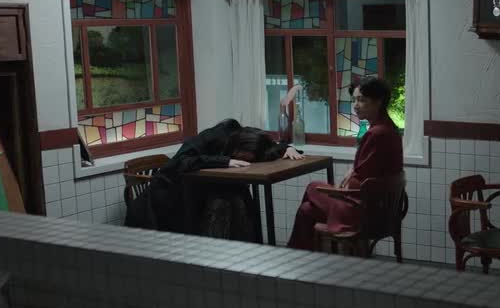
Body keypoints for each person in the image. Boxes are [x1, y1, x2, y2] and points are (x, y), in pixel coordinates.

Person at [125, 118, 303, 240]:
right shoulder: (213, 136)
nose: (247, 161)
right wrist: (224, 161)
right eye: (245, 156)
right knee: (224, 201)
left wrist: (285, 148)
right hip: (167, 198)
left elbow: (267, 147)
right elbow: (180, 162)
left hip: (198, 192)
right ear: (240, 146)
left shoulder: (246, 136)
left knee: (238, 197)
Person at [287, 77, 403, 251]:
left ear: (378, 101)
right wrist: (353, 171)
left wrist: (346, 183)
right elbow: (368, 170)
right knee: (306, 210)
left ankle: (295, 253)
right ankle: (299, 253)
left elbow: (359, 181)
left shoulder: (376, 133)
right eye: (354, 100)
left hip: (363, 210)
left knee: (313, 187)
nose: (355, 105)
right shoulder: (389, 128)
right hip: (381, 208)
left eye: (361, 100)